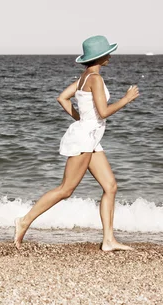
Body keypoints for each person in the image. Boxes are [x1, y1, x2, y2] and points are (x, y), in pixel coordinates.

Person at [14, 35, 139, 251]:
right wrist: (126, 99)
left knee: (110, 186)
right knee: (66, 189)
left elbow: (62, 97)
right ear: (101, 56)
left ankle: (108, 240)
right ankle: (24, 221)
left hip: (90, 137)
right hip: (85, 138)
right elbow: (103, 111)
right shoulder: (95, 79)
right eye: (107, 53)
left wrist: (81, 120)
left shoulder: (85, 77)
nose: (110, 56)